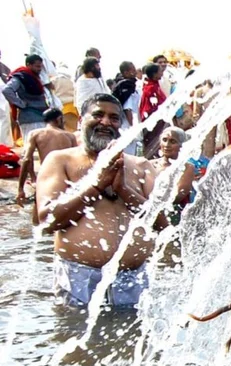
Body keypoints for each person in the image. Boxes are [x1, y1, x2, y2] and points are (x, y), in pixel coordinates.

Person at [35, 93, 167, 308]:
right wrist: (96, 185)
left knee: (134, 341)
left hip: (133, 280)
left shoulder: (140, 165)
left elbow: (161, 224)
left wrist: (124, 190)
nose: (106, 122)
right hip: (79, 279)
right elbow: (47, 221)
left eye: (114, 118)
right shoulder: (61, 160)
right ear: (81, 121)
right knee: (74, 337)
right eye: (98, 115)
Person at [16, 108, 78, 211]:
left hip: (45, 177)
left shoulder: (35, 134)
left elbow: (27, 159)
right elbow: (76, 161)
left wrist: (21, 189)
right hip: (66, 180)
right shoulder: (70, 136)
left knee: (38, 216)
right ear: (59, 119)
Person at [2, 54, 48, 145]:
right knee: (30, 149)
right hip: (29, 118)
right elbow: (6, 90)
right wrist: (20, 103)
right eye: (37, 66)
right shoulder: (20, 77)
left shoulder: (37, 78)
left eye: (41, 66)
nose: (39, 69)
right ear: (28, 65)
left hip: (41, 116)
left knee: (43, 147)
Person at [112, 61, 141, 155]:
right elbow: (127, 108)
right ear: (125, 72)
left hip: (128, 123)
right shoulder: (127, 86)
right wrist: (132, 127)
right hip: (126, 125)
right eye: (132, 70)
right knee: (129, 150)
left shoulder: (130, 84)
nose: (135, 72)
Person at [139, 63, 167, 159]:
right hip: (153, 122)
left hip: (158, 120)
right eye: (160, 71)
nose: (162, 73)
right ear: (155, 75)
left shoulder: (155, 86)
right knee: (152, 145)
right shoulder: (150, 89)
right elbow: (148, 108)